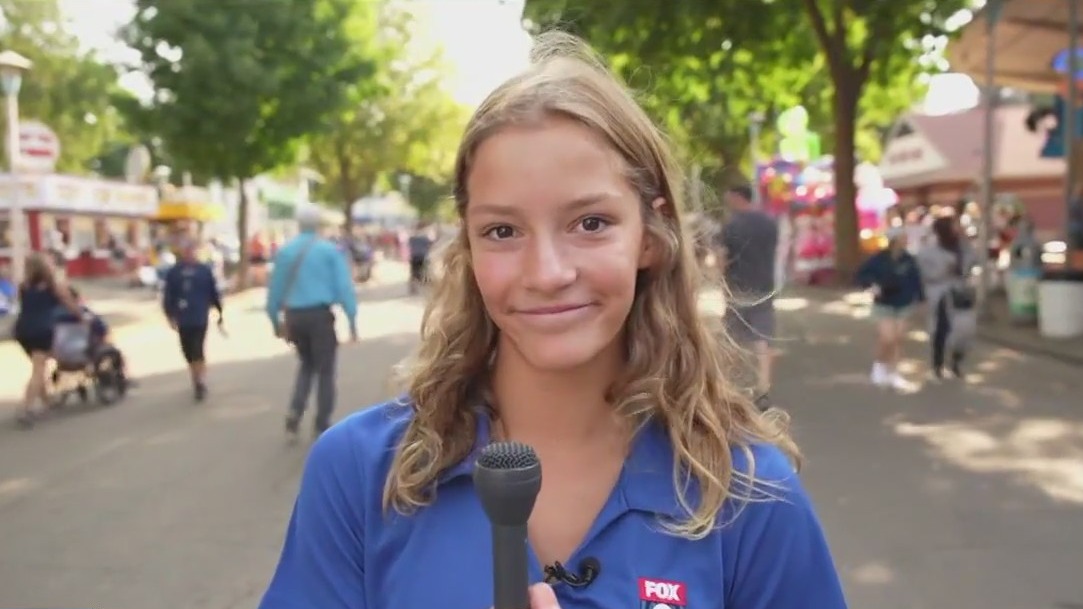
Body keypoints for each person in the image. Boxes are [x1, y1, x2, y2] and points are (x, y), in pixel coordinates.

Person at [258, 32, 846, 609]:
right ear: (467, 245)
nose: (547, 271)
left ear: (651, 233)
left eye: (590, 223)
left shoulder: (747, 492)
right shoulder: (360, 473)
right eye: (503, 231)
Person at [265, 205, 358, 439]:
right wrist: (352, 320)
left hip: (295, 317)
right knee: (325, 371)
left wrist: (275, 321)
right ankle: (322, 423)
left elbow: (274, 292)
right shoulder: (329, 251)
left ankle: (295, 413)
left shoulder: (285, 252)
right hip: (320, 316)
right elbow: (344, 287)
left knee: (306, 365)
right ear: (318, 225)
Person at [716, 183, 780, 409]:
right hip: (764, 286)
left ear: (736, 197)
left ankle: (729, 387)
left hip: (738, 288)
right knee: (763, 338)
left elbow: (722, 258)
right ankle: (763, 387)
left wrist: (720, 282)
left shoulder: (732, 225)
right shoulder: (769, 223)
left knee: (732, 337)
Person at [11, 253, 83, 426]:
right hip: (42, 330)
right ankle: (26, 409)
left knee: (39, 365)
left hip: (22, 330)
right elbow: (70, 304)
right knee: (38, 370)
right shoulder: (53, 286)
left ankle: (47, 403)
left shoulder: (24, 286)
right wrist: (82, 317)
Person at [856, 226, 924, 389]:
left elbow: (916, 280)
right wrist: (871, 286)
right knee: (888, 338)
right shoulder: (878, 258)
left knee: (899, 339)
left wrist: (921, 298)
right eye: (903, 237)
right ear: (894, 240)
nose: (906, 240)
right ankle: (879, 367)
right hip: (884, 303)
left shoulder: (909, 259)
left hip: (904, 302)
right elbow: (862, 275)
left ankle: (893, 373)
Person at [162, 239, 223, 402]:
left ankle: (199, 382)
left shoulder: (204, 270)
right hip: (183, 319)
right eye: (186, 249)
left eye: (191, 249)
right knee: (188, 352)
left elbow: (213, 291)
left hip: (199, 317)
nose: (189, 252)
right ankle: (195, 376)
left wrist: (219, 311)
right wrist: (169, 315)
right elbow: (168, 295)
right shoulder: (174, 272)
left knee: (198, 349)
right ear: (182, 252)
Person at [917, 215, 976, 379]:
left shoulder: (963, 246)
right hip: (939, 293)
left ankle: (957, 361)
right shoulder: (928, 249)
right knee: (940, 330)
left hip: (959, 291)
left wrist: (965, 265)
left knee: (965, 329)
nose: (958, 228)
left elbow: (973, 260)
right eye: (954, 225)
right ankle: (937, 364)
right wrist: (942, 270)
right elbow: (923, 273)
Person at [407, 223, 436, 294]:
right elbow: (431, 244)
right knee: (425, 271)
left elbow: (409, 244)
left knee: (413, 273)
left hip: (414, 256)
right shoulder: (425, 237)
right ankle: (428, 286)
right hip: (423, 256)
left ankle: (413, 288)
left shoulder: (412, 238)